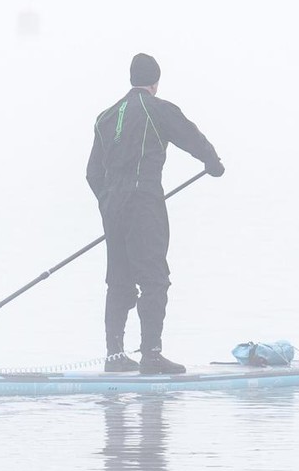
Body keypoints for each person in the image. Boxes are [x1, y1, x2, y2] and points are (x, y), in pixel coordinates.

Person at [86, 54, 224, 375]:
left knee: (119, 279)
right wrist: (212, 162)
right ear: (155, 83)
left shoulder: (105, 117)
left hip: (113, 208)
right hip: (144, 204)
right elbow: (191, 137)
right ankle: (151, 355)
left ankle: (115, 357)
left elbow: (93, 174)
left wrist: (108, 203)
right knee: (154, 278)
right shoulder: (158, 109)